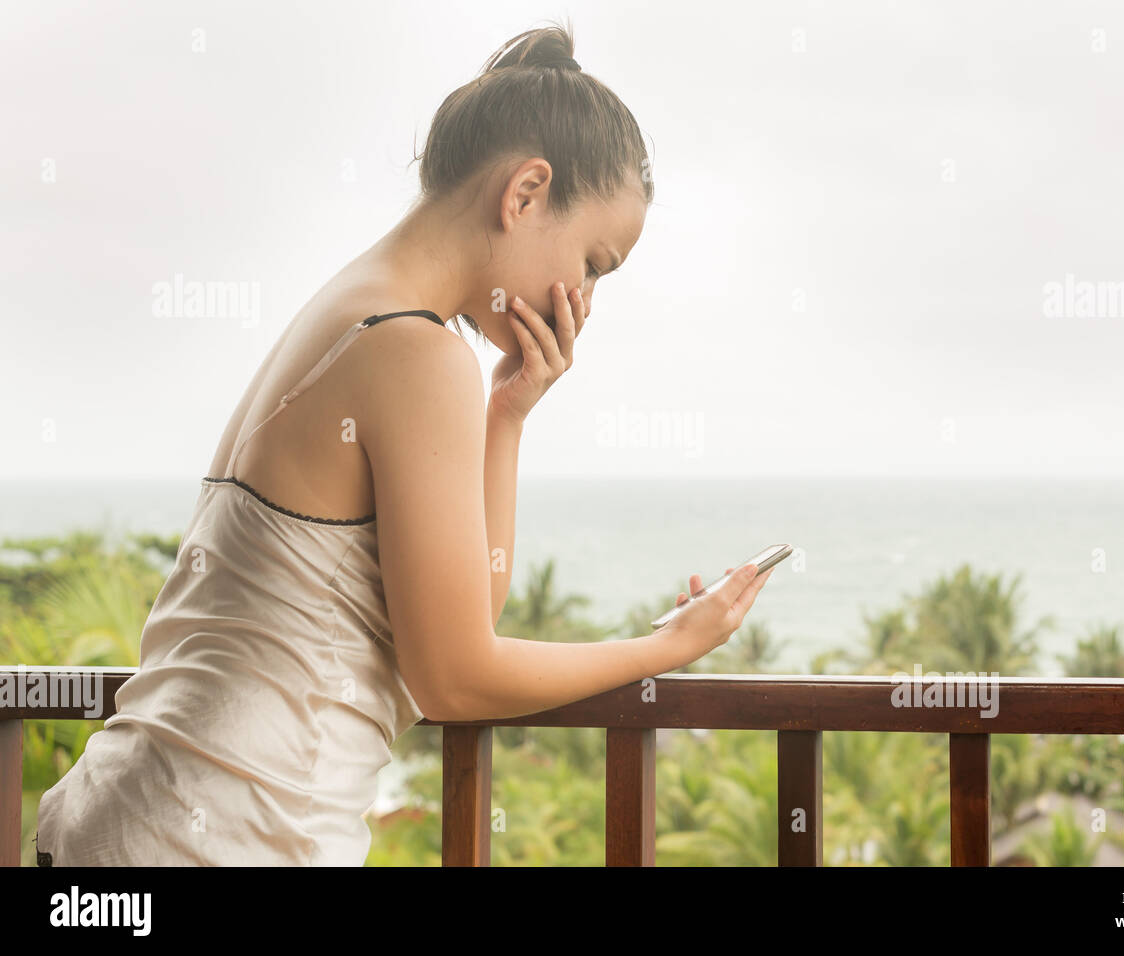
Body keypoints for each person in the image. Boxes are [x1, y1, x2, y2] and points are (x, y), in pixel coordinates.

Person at [34, 21, 773, 866]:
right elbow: (455, 679)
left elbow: (462, 618)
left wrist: (507, 415)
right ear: (526, 192)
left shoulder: (357, 308)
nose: (586, 299)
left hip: (129, 822)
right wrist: (670, 647)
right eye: (595, 261)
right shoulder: (414, 349)